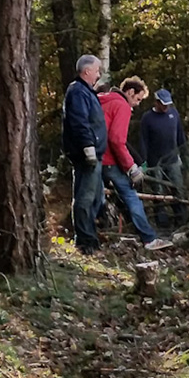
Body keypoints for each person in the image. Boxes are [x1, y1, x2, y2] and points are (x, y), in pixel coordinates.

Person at [99, 76, 172, 250]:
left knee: (92, 196)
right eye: (138, 99)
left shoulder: (102, 100)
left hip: (94, 158)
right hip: (109, 160)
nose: (137, 104)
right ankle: (149, 239)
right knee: (131, 197)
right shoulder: (122, 105)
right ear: (130, 92)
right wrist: (131, 168)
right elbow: (117, 140)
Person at [61, 55, 109, 254]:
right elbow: (79, 122)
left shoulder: (86, 92)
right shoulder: (77, 91)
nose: (98, 75)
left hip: (95, 155)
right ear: (87, 71)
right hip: (86, 155)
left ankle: (90, 237)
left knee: (96, 199)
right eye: (97, 70)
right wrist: (88, 147)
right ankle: (85, 242)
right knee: (85, 199)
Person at [138, 87, 187, 230]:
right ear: (157, 102)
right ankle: (162, 224)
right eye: (163, 104)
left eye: (168, 104)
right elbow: (143, 141)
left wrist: (184, 154)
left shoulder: (174, 114)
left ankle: (181, 220)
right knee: (158, 193)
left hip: (173, 161)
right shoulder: (147, 118)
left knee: (177, 190)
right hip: (155, 162)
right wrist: (145, 163)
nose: (166, 107)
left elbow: (180, 136)